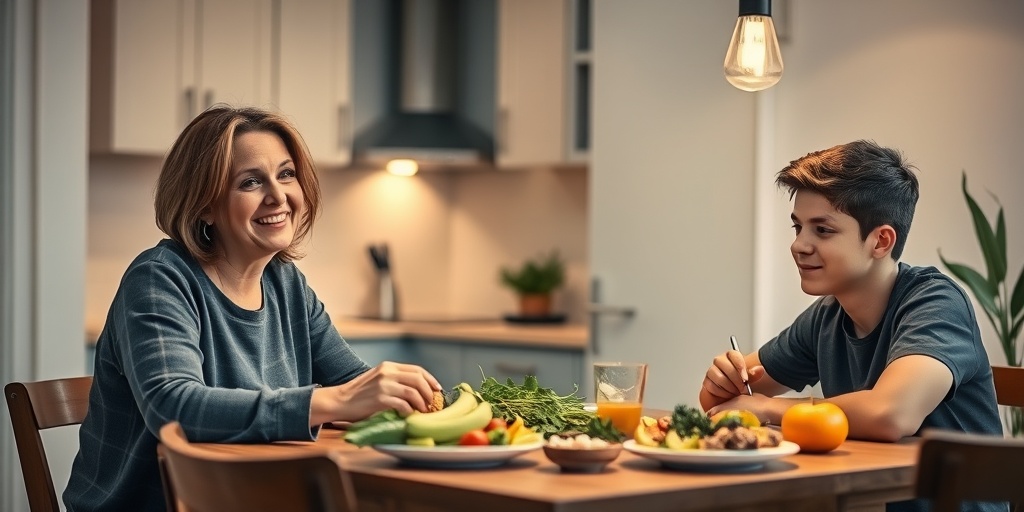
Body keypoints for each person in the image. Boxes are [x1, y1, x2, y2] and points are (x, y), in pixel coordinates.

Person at [64, 106, 441, 511]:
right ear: (204, 205)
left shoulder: (286, 283)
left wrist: (443, 404)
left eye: (286, 174)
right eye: (250, 182)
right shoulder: (159, 280)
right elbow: (173, 407)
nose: (278, 196)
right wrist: (336, 401)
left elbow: (353, 381)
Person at [698, 140, 1004, 511]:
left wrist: (766, 408)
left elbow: (890, 415)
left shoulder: (934, 302)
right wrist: (722, 379)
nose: (799, 245)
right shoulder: (828, 314)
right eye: (797, 228)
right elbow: (727, 401)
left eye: (822, 230)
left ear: (881, 240)